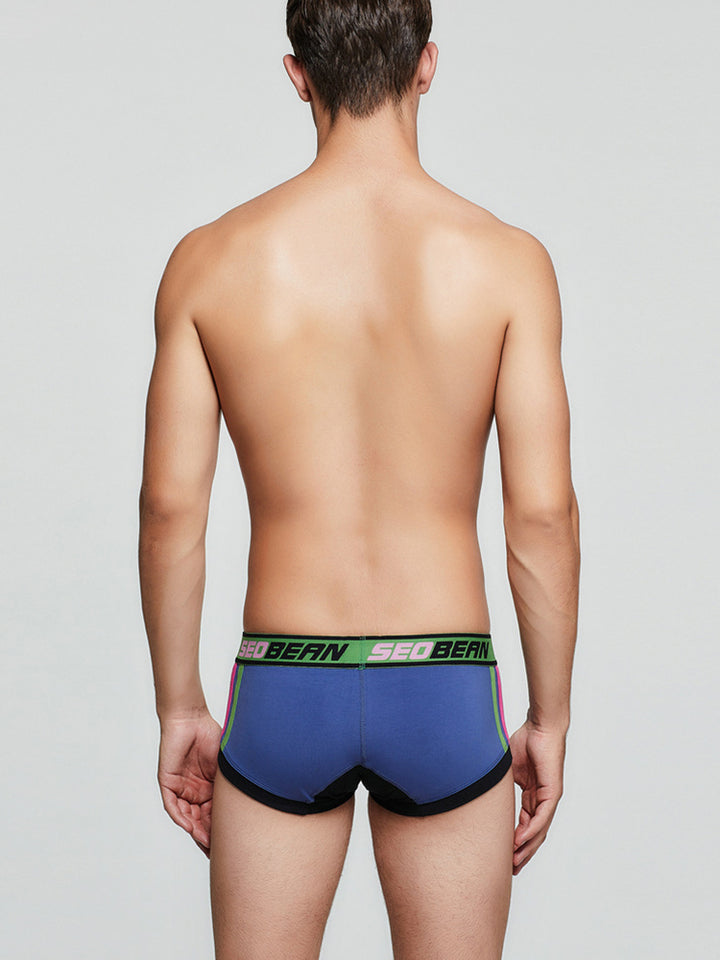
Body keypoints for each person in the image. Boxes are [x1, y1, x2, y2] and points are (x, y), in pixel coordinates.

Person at [138, 1, 580, 957]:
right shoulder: (509, 264)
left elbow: (170, 510)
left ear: (298, 75)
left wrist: (179, 706)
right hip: (444, 682)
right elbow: (541, 516)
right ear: (427, 65)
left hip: (284, 680)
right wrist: (549, 716)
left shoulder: (208, 262)